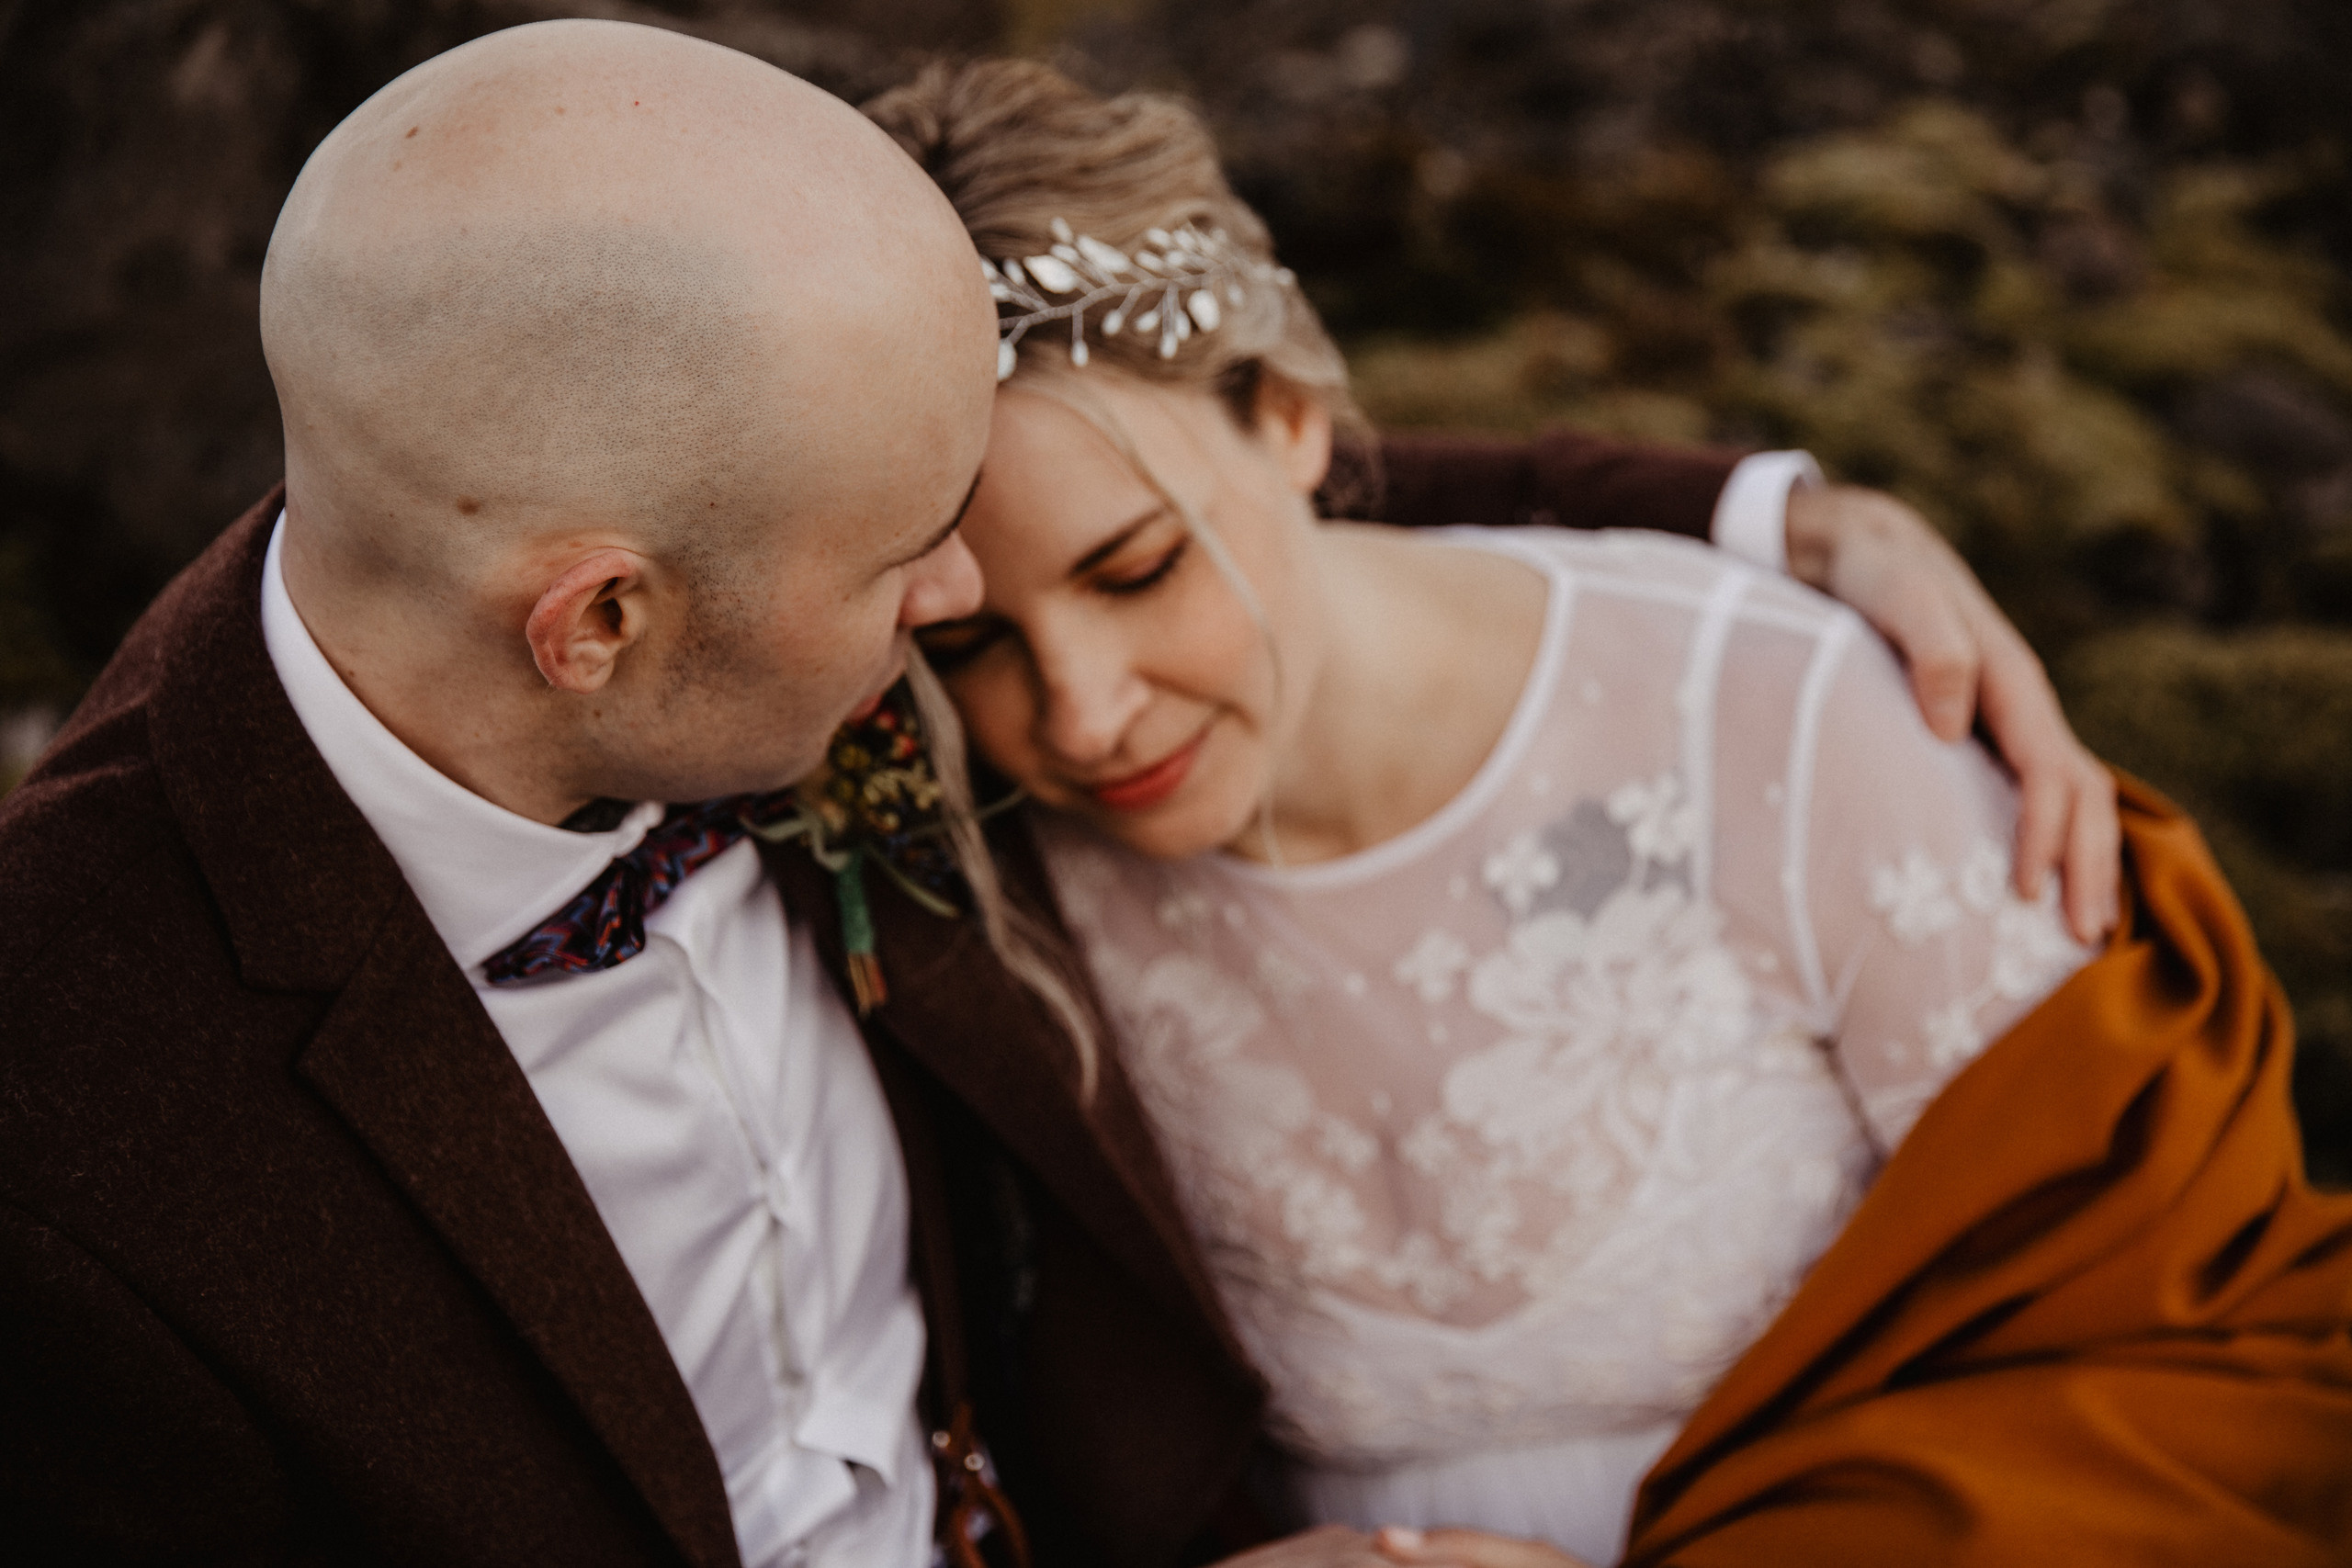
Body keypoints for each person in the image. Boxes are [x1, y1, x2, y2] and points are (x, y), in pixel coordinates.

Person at [0, 20, 2151, 1568]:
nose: (981, 616)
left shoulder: (626, 581)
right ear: (597, 624)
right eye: (916, 587)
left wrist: (1770, 516)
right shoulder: (74, 1152)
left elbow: (1171, 459)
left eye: (1062, 568)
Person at [847, 59, 2352, 1567]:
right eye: (966, 642)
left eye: (1139, 572)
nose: (1083, 713)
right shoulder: (954, 845)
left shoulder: (1785, 723)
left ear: (1292, 418)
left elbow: (2186, 1360)